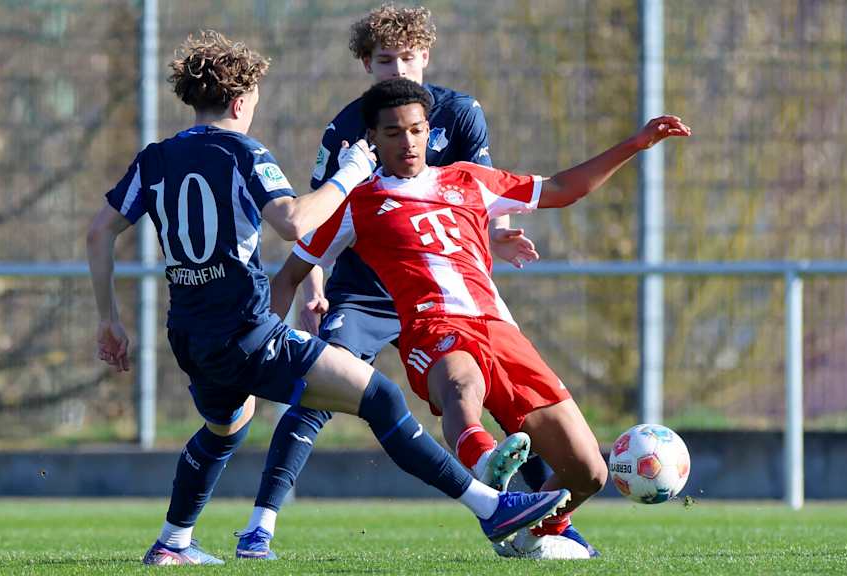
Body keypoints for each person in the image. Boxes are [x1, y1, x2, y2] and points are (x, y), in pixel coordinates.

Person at [85, 31, 570, 566]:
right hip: (249, 331)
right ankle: (490, 507)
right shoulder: (244, 151)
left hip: (190, 335)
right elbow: (294, 223)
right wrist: (350, 175)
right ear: (242, 101)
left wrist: (109, 319)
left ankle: (172, 543)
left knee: (228, 424)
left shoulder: (156, 158)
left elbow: (100, 232)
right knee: (382, 400)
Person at [272, 78, 691, 558]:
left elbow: (562, 188)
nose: (408, 142)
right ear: (374, 138)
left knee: (590, 471)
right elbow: (289, 275)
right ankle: (485, 462)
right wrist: (270, 347)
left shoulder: (470, 179)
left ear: (429, 131)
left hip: (501, 330)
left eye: (416, 130)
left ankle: (534, 533)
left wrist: (635, 144)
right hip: (435, 326)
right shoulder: (356, 202)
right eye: (393, 133)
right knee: (460, 385)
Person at [236, 2, 557, 560]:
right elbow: (318, 220)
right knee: (315, 395)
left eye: (409, 56)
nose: (400, 69)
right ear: (367, 65)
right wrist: (312, 293)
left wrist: (495, 236)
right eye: (387, 60)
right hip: (363, 291)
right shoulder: (345, 128)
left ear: (427, 57)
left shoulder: (458, 113)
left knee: (507, 401)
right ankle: (260, 525)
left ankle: (550, 523)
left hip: (445, 292)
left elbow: (482, 190)